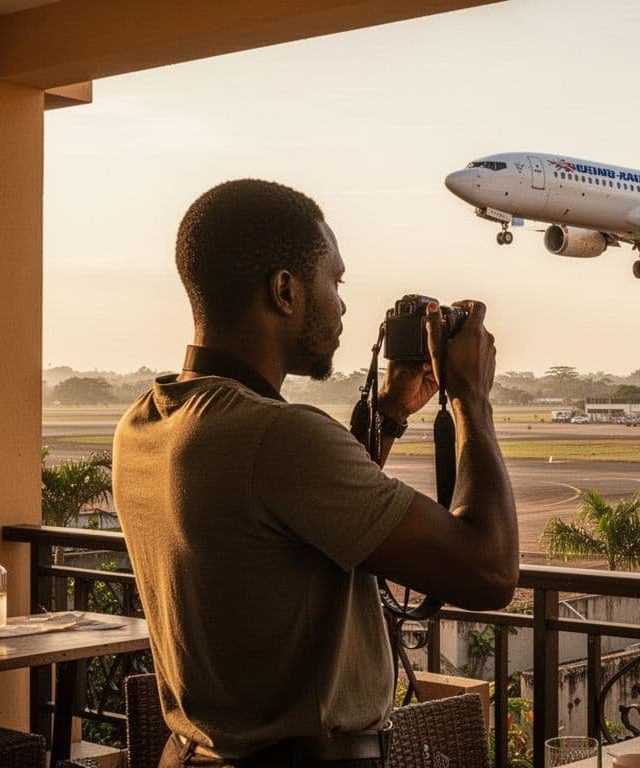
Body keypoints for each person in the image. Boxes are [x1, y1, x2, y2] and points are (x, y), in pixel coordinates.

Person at [113, 179, 518, 767]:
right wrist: (471, 402)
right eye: (335, 281)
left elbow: (301, 517)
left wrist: (391, 409)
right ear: (285, 290)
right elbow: (489, 571)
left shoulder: (145, 424)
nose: (343, 304)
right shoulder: (279, 436)